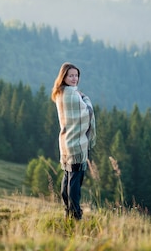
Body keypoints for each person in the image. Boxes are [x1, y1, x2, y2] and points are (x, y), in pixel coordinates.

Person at [51, 62, 96, 220]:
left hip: (65, 142)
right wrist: (86, 98)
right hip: (76, 144)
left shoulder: (60, 93)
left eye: (76, 75)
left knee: (67, 177)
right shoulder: (71, 94)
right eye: (71, 75)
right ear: (64, 77)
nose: (74, 78)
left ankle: (67, 211)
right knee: (75, 182)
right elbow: (87, 112)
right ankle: (75, 214)